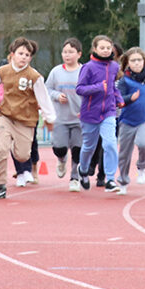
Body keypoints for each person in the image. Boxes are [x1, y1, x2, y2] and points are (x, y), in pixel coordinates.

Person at [0, 37, 57, 200]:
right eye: (21, 53)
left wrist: (49, 119)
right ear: (12, 54)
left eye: (27, 55)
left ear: (31, 58)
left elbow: (44, 99)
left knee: (23, 156)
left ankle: (20, 151)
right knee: (0, 150)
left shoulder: (34, 76)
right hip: (6, 117)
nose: (24, 57)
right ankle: (1, 185)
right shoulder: (3, 71)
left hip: (25, 121)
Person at [75, 35, 124, 193]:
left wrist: (119, 98)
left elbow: (112, 88)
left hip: (108, 112)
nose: (105, 51)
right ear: (95, 49)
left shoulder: (114, 67)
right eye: (102, 48)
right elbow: (80, 89)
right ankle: (83, 170)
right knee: (89, 147)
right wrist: (97, 87)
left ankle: (110, 179)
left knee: (110, 143)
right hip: (90, 113)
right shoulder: (88, 67)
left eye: (108, 48)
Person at [114, 47, 145, 195]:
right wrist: (130, 99)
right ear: (127, 63)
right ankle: (123, 181)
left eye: (139, 60)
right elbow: (119, 100)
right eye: (133, 61)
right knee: (124, 154)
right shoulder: (124, 80)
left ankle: (141, 167)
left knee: (143, 143)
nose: (136, 63)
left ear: (144, 62)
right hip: (127, 121)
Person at [46, 39, 85, 189]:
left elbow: (91, 92)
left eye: (71, 52)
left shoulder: (84, 71)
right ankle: (61, 160)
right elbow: (47, 89)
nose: (67, 55)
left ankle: (74, 178)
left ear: (79, 54)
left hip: (79, 118)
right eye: (65, 52)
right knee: (59, 147)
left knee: (77, 149)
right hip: (60, 118)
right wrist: (56, 95)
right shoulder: (56, 72)